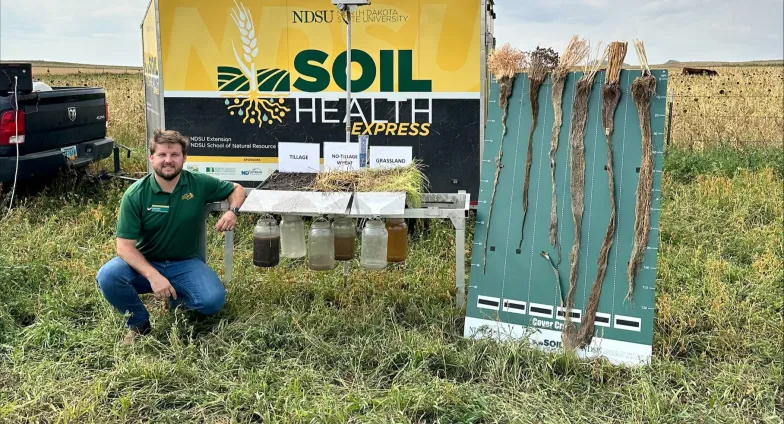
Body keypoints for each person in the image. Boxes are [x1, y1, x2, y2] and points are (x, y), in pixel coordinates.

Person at [96, 129, 246, 344]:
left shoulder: (198, 183)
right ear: (151, 158)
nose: (168, 160)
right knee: (108, 276)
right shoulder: (136, 194)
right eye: (162, 155)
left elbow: (237, 189)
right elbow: (124, 248)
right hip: (145, 263)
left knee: (212, 301)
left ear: (184, 157)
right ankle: (139, 324)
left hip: (185, 262)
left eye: (175, 155)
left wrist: (233, 211)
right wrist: (153, 276)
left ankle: (177, 300)